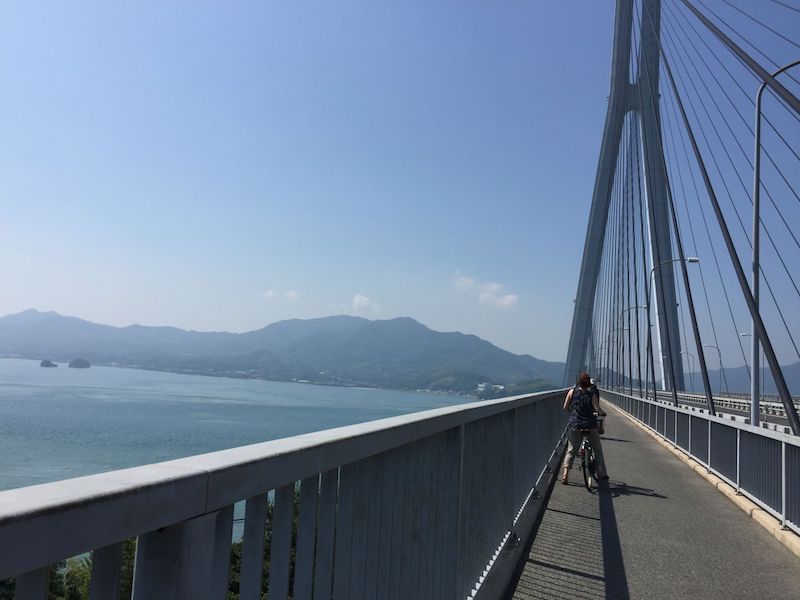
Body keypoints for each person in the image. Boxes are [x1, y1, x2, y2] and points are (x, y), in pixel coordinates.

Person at [561, 372, 608, 484]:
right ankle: (600, 473)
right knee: (597, 450)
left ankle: (565, 474)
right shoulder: (592, 395)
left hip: (575, 425)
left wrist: (573, 415)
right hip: (590, 425)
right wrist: (603, 413)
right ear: (588, 384)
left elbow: (565, 407)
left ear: (579, 382)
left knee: (571, 450)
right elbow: (597, 409)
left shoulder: (572, 392)